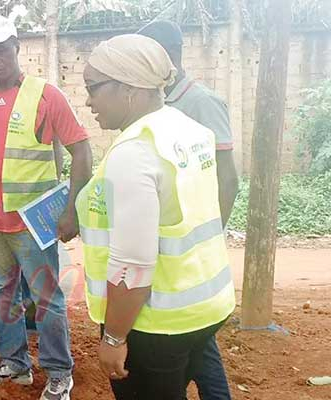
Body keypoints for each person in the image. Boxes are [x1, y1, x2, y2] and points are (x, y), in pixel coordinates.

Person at [77, 34, 236, 400]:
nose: (88, 100)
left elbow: (132, 265)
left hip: (155, 323)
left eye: (93, 88)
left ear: (129, 89)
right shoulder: (186, 130)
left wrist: (114, 338)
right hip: (204, 306)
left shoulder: (135, 152)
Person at [0, 15, 92, 400]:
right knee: (1, 295)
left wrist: (71, 209)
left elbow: (81, 150)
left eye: (0, 49)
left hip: (34, 225)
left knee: (47, 298)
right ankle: (16, 364)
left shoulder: (46, 96)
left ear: (16, 47)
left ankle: (59, 372)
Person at [138, 20, 240, 400]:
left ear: (165, 55)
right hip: (166, 246)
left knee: (187, 337)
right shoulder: (154, 101)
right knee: (196, 338)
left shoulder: (202, 103)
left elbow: (227, 179)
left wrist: (208, 238)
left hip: (189, 250)